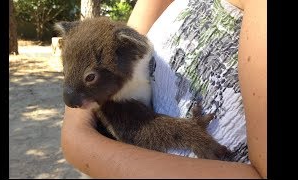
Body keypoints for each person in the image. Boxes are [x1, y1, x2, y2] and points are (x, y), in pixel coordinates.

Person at [61, 0, 266, 178]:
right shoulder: (113, 90)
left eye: (90, 78)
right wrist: (77, 133)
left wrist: (79, 141)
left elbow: (137, 129)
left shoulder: (126, 51)